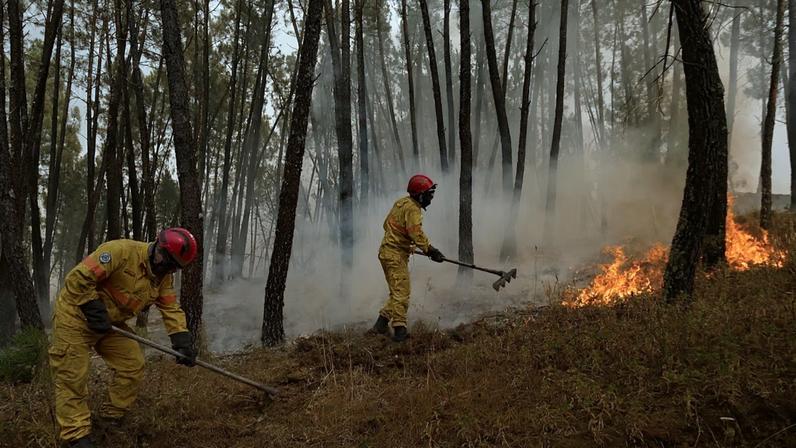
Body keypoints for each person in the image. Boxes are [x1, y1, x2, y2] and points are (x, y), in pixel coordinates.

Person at [49, 228, 199, 447]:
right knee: (73, 376)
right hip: (76, 316)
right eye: (166, 262)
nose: (166, 269)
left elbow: (170, 306)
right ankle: (75, 436)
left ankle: (110, 418)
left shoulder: (162, 277)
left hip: (110, 324)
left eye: (174, 267)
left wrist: (181, 339)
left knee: (132, 364)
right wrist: (91, 306)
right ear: (158, 246)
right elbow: (77, 278)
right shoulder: (119, 251)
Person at [371, 174, 445, 342]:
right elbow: (415, 233)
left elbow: (386, 225)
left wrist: (405, 244)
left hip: (387, 252)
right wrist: (430, 250)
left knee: (396, 292)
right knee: (402, 294)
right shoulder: (413, 209)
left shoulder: (401, 203)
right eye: (429, 195)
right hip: (394, 255)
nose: (431, 199)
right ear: (419, 195)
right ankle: (400, 332)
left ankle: (380, 325)